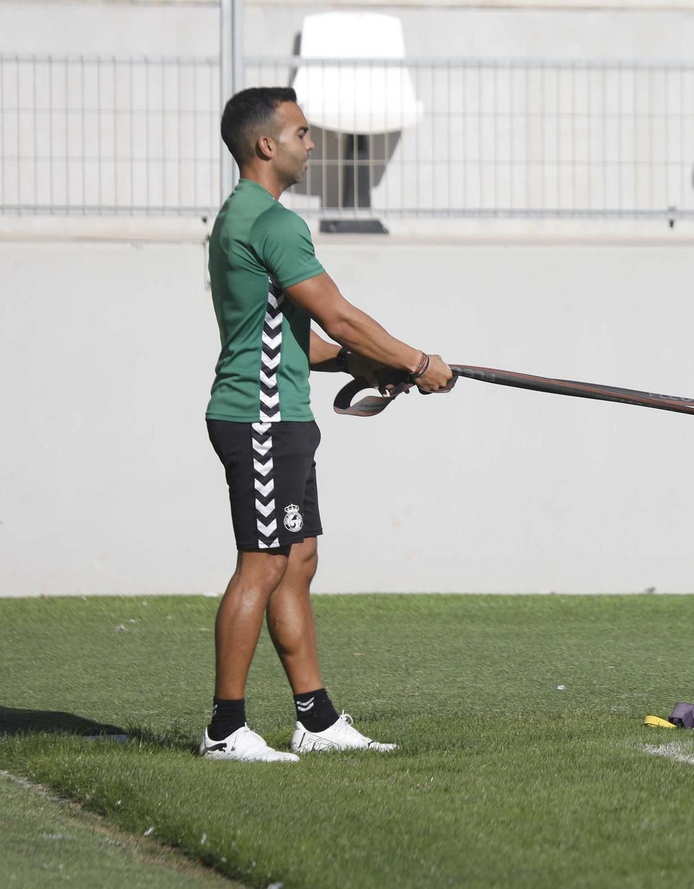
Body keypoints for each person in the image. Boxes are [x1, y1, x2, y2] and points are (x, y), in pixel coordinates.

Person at [199, 87, 455, 761]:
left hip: (284, 415)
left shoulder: (241, 218)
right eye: (302, 133)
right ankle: (225, 729)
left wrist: (365, 367)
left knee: (297, 560)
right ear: (266, 145)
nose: (311, 144)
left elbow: (296, 339)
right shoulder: (271, 223)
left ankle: (315, 719)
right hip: (259, 419)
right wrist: (416, 361)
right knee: (261, 562)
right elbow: (338, 317)